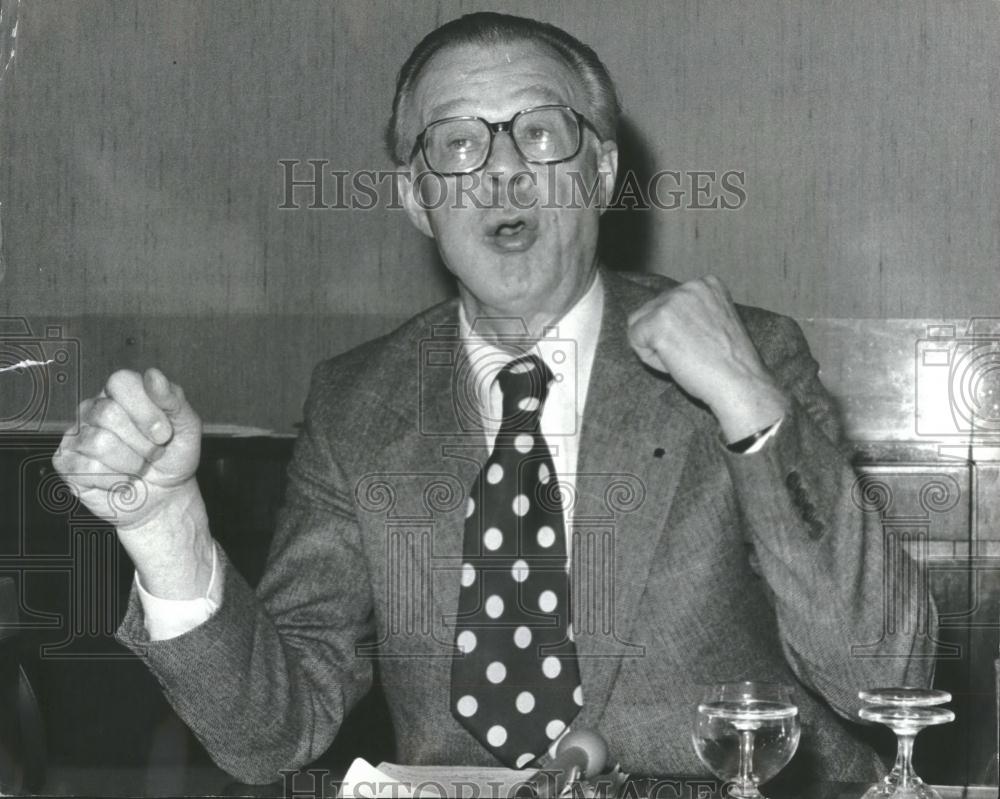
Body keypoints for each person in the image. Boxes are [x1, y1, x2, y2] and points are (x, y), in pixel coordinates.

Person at [53, 12, 935, 786]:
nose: (503, 172)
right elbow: (273, 737)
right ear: (417, 199)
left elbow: (887, 672)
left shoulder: (756, 353)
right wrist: (165, 530)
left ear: (600, 170)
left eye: (542, 133)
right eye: (458, 143)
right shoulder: (359, 400)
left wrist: (750, 401)